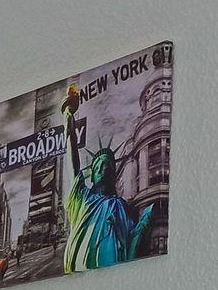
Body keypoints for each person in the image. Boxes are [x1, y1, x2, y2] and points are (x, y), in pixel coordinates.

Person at [61, 85, 155, 274]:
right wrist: (68, 122)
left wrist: (144, 226)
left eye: (106, 165)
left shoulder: (124, 207)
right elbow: (73, 163)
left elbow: (132, 241)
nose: (101, 168)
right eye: (97, 166)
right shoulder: (83, 198)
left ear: (113, 173)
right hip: (82, 268)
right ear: (92, 174)